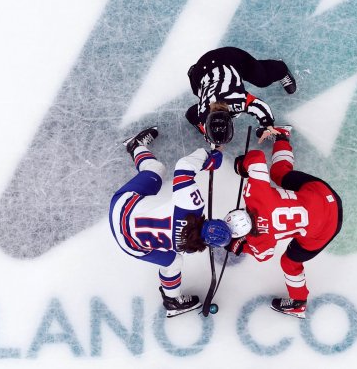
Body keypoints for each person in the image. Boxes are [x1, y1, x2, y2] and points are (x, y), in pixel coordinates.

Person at [109, 126, 233, 317]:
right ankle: (172, 300)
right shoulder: (189, 247)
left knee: (156, 170)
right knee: (174, 261)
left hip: (123, 207)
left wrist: (210, 158)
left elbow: (184, 165)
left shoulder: (191, 206)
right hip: (127, 241)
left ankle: (135, 146)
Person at [225, 125, 343, 318]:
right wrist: (242, 165)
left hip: (326, 228)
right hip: (324, 196)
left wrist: (239, 246)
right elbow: (256, 158)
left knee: (289, 262)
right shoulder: (254, 194)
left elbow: (263, 255)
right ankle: (281, 136)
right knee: (278, 174)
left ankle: (298, 303)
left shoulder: (258, 240)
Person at [185, 47, 297, 145]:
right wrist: (210, 136)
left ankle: (281, 69)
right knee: (196, 98)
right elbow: (192, 114)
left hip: (228, 58)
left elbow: (260, 108)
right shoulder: (203, 112)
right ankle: (193, 72)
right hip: (200, 69)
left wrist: (268, 126)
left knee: (263, 79)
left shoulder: (238, 100)